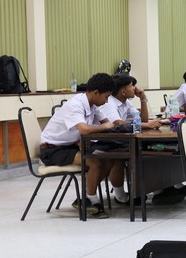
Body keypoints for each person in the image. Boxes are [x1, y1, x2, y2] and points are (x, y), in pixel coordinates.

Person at [39, 73, 120, 219]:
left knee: (108, 159)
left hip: (70, 146)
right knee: (94, 162)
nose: (107, 101)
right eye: (106, 97)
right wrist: (103, 127)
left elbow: (108, 123)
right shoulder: (75, 105)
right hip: (52, 150)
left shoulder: (93, 105)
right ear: (96, 92)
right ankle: (92, 201)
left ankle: (86, 197)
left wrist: (107, 126)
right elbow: (84, 129)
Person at [98, 73, 163, 205]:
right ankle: (121, 196)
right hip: (105, 142)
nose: (135, 88)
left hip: (122, 140)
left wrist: (143, 99)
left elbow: (143, 119)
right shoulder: (109, 103)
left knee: (152, 150)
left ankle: (160, 188)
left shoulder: (126, 102)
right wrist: (146, 125)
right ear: (123, 91)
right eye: (132, 85)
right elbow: (117, 123)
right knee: (124, 156)